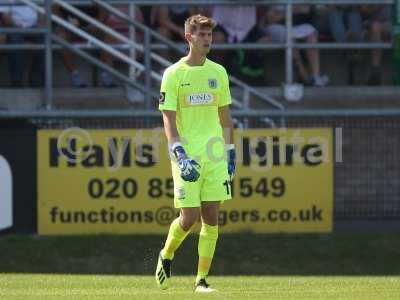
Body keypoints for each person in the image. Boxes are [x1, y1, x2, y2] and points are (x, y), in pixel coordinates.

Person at [155, 14, 235, 293]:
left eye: (210, 35)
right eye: (201, 34)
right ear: (189, 37)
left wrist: (231, 152)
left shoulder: (218, 73)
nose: (207, 39)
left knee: (211, 216)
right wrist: (178, 150)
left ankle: (201, 280)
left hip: (214, 156)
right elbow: (168, 118)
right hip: (186, 155)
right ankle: (166, 254)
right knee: (189, 218)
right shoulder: (174, 74)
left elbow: (226, 118)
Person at [261, 5, 329, 86]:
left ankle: (315, 75)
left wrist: (306, 9)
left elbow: (309, 10)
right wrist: (288, 12)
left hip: (295, 24)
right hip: (276, 26)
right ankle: (304, 76)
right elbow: (270, 19)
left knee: (311, 32)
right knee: (290, 38)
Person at [0, 4, 44, 87]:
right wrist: (14, 26)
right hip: (14, 26)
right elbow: (5, 16)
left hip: (34, 26)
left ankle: (36, 79)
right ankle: (16, 81)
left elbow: (42, 12)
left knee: (45, 39)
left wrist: (40, 25)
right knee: (14, 40)